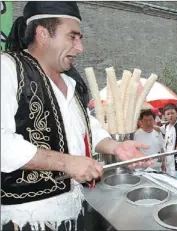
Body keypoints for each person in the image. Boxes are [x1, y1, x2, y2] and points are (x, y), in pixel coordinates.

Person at [1, 2, 150, 230]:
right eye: (72, 37)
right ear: (42, 34)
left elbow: (85, 126)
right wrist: (67, 162)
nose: (79, 48)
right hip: (25, 219)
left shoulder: (70, 82)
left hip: (74, 211)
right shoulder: (8, 68)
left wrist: (115, 147)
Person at [155, 103, 177, 177]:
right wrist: (148, 124)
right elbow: (159, 129)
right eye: (168, 114)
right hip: (168, 163)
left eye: (172, 113)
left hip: (176, 164)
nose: (170, 116)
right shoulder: (167, 127)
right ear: (165, 116)